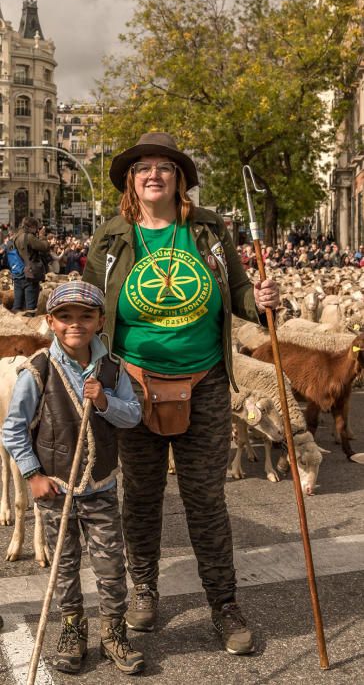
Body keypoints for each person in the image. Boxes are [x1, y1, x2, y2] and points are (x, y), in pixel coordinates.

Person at [83, 131, 279, 656]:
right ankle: (143, 589)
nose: (154, 174)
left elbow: (237, 292)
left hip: (206, 383)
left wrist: (259, 301)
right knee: (141, 498)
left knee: (205, 500)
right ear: (132, 179)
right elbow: (90, 308)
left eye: (165, 167)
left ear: (180, 179)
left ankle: (224, 603)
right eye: (143, 167)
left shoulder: (210, 231)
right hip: (134, 386)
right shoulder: (111, 238)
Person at [2, 282, 144, 676]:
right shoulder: (37, 370)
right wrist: (32, 475)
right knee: (64, 566)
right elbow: (13, 430)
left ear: (100, 321)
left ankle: (113, 630)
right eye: (65, 317)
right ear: (51, 322)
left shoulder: (112, 368)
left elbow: (132, 416)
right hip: (56, 489)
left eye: (85, 316)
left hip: (99, 487)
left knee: (111, 565)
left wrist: (103, 400)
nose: (75, 324)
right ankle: (72, 629)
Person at [12, 217, 50, 315]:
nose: (37, 229)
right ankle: (27, 327)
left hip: (18, 273)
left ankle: (15, 326)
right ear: (31, 226)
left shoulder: (16, 236)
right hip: (29, 275)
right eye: (36, 227)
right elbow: (45, 247)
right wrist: (42, 236)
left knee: (17, 306)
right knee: (30, 308)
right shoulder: (28, 237)